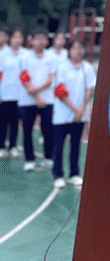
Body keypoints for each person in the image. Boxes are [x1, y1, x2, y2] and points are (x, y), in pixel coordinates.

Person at [51, 39, 96, 188]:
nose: (78, 51)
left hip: (79, 115)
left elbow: (89, 89)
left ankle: (74, 173)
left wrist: (82, 109)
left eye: (81, 47)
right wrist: (75, 109)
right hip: (63, 115)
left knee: (76, 146)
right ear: (69, 51)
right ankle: (58, 174)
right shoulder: (61, 67)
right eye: (74, 48)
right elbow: (59, 91)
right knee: (59, 145)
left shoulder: (87, 68)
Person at [19, 27, 55, 170]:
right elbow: (24, 77)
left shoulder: (50, 58)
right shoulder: (25, 58)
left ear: (47, 41)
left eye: (43, 39)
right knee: (27, 130)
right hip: (28, 100)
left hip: (47, 100)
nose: (41, 41)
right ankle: (29, 159)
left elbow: (51, 78)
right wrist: (35, 95)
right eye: (37, 38)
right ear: (31, 41)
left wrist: (37, 93)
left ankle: (48, 157)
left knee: (48, 130)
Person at [0, 28, 28, 158]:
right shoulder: (3, 54)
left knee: (15, 122)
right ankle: (1, 146)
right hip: (4, 94)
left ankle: (12, 146)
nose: (17, 40)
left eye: (20, 37)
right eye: (14, 37)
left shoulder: (26, 54)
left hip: (20, 95)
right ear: (10, 39)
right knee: (2, 122)